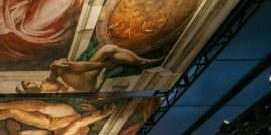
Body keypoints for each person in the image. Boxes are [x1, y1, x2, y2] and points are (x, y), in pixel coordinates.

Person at [19, 44, 163, 93]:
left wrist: (55, 64)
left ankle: (141, 62)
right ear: (28, 91)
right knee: (61, 68)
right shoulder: (44, 95)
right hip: (84, 88)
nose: (31, 83)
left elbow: (53, 71)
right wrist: (58, 66)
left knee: (108, 49)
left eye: (28, 82)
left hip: (84, 77)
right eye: (27, 85)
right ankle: (105, 65)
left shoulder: (46, 82)